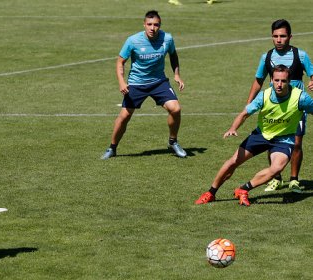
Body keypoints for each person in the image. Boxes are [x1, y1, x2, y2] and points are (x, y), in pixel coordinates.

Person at [195, 65, 313, 206]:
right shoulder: (264, 96)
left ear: (289, 82)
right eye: (276, 80)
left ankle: (243, 189)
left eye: (283, 81)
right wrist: (233, 127)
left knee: (276, 168)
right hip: (261, 135)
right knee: (233, 162)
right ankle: (210, 193)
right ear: (271, 80)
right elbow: (244, 114)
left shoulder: (301, 98)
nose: (279, 84)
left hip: (284, 139)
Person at [101, 10, 187, 160]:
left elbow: (173, 55)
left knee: (176, 109)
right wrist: (122, 82)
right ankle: (112, 148)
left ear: (160, 25)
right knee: (124, 116)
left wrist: (177, 74)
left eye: (156, 25)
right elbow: (120, 61)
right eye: (149, 24)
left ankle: (173, 142)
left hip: (159, 82)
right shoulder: (133, 41)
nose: (152, 28)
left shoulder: (167, 38)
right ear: (144, 24)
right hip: (136, 83)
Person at [247, 19, 313, 193]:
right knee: (272, 141)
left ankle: (294, 180)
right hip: (273, 107)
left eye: (282, 36)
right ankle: (276, 179)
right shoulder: (266, 57)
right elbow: (258, 81)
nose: (279, 40)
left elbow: (312, 75)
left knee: (297, 142)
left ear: (290, 37)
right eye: (275, 36)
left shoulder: (301, 55)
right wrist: (249, 104)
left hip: (296, 108)